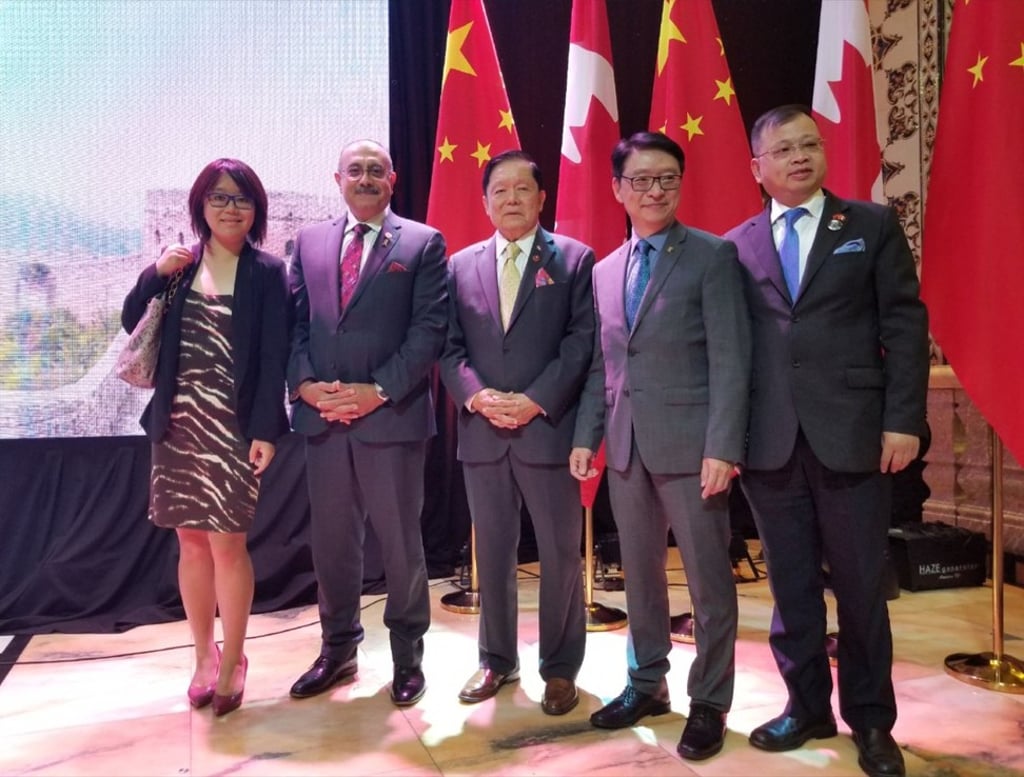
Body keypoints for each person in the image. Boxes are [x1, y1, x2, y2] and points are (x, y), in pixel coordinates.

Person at [725, 104, 929, 777]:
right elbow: (732, 347)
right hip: (770, 442)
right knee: (791, 586)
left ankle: (871, 720)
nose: (799, 157)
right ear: (757, 167)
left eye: (809, 144)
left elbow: (904, 327)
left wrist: (904, 420)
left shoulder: (869, 225)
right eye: (783, 149)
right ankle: (806, 706)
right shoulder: (736, 244)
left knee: (862, 585)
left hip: (854, 436)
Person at [570, 131, 751, 761]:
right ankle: (647, 683)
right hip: (626, 449)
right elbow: (604, 365)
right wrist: (587, 436)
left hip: (694, 448)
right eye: (641, 180)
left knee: (708, 581)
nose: (655, 190)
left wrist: (723, 446)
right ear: (617, 188)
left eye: (667, 179)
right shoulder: (604, 270)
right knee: (641, 577)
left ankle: (710, 702)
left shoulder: (712, 256)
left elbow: (732, 358)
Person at [121, 158, 291, 717]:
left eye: (241, 198)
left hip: (234, 430)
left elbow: (274, 359)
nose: (230, 207)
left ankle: (236, 658)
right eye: (219, 197)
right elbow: (130, 321)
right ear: (200, 206)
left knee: (228, 545)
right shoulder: (180, 266)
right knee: (190, 543)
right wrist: (154, 272)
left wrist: (266, 429)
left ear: (256, 210)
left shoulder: (269, 273)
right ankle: (203, 656)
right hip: (176, 425)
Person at [286, 139, 447, 707]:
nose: (365, 178)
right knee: (332, 545)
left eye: (376, 169)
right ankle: (338, 651)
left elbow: (428, 331)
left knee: (401, 545)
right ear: (338, 179)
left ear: (392, 179)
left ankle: (408, 659)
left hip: (392, 419)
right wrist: (306, 387)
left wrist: (376, 392)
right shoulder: (308, 242)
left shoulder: (423, 243)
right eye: (355, 170)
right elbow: (295, 325)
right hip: (324, 419)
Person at [440, 150, 594, 715]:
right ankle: (496, 660)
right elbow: (449, 346)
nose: (511, 199)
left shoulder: (574, 259)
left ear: (541, 197)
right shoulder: (459, 265)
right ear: (485, 202)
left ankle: (560, 669)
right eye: (499, 191)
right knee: (493, 554)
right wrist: (476, 396)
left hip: (547, 431)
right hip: (483, 433)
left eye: (522, 189)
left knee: (560, 553)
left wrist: (535, 401)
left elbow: (581, 343)